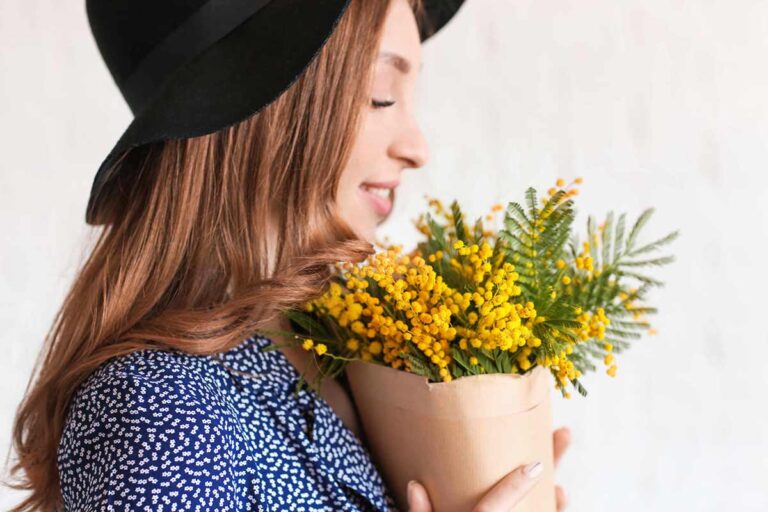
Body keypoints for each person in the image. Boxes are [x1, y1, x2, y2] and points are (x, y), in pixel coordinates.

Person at [8, 0, 569, 510]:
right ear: (264, 110)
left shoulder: (353, 363)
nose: (417, 147)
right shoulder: (162, 412)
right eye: (380, 95)